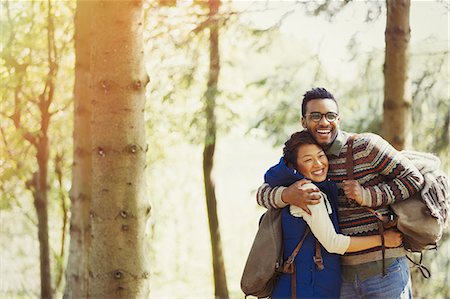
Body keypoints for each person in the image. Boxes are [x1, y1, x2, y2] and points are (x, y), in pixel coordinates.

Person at [256, 87, 424, 298]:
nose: (324, 122)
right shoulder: (303, 157)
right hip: (342, 276)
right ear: (303, 121)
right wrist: (286, 195)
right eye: (315, 116)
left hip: (384, 267)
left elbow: (413, 178)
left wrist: (368, 195)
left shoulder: (366, 146)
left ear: (338, 119)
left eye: (330, 116)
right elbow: (263, 192)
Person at [267, 130, 402, 298]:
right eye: (308, 160)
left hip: (304, 284)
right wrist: (384, 240)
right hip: (307, 289)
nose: (318, 164)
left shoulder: (297, 187)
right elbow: (333, 243)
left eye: (320, 155)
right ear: (294, 166)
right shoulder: (307, 192)